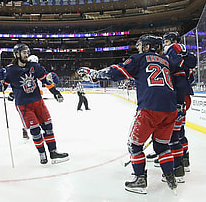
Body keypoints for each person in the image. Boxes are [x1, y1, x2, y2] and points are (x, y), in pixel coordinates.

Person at [77, 34, 178, 194]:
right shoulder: (166, 62)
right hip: (171, 109)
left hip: (150, 108)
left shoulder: (139, 59)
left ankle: (140, 179)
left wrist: (94, 74)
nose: (138, 49)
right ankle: (170, 176)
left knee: (134, 145)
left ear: (146, 47)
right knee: (162, 146)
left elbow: (116, 72)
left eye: (140, 46)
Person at [0, 44, 68, 165]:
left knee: (48, 127)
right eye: (23, 52)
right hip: (24, 105)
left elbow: (46, 79)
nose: (26, 54)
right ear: (17, 54)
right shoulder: (10, 70)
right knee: (35, 131)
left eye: (27, 52)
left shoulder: (34, 66)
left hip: (38, 102)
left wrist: (54, 85)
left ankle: (53, 152)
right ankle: (42, 154)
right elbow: (1, 88)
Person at [159, 31, 197, 181]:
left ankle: (177, 166)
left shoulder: (174, 50)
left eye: (166, 41)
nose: (165, 44)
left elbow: (180, 78)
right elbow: (190, 74)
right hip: (183, 96)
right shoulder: (182, 54)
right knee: (179, 130)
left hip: (179, 97)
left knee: (174, 134)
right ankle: (184, 159)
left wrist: (179, 102)